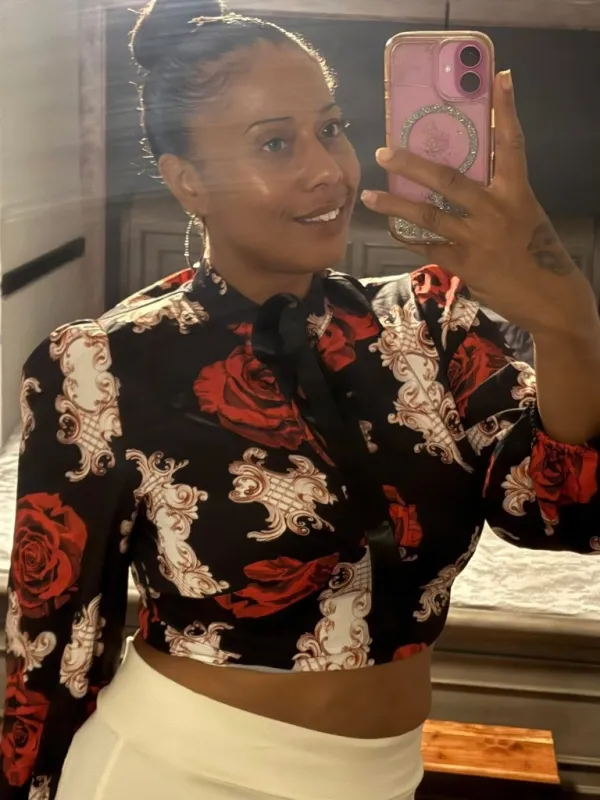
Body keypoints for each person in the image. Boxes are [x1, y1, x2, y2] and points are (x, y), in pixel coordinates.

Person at [2, 0, 599, 798]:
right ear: (187, 181)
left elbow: (560, 515)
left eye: (332, 128)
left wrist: (570, 326)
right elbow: (53, 649)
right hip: (170, 772)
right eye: (276, 142)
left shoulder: (430, 320)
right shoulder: (100, 365)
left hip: (381, 780)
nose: (329, 169)